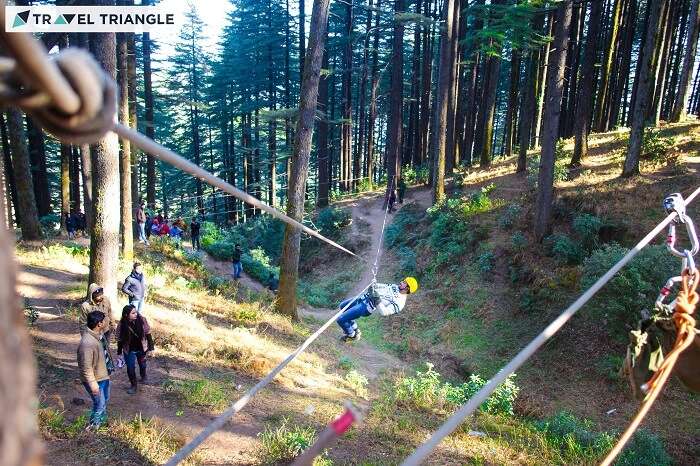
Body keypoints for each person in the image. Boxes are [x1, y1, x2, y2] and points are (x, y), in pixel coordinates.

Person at [337, 277, 418, 342]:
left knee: (341, 319)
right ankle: (355, 329)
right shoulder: (394, 286)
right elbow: (379, 286)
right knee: (342, 306)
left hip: (366, 307)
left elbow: (385, 312)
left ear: (407, 289)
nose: (401, 282)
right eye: (403, 280)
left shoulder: (400, 303)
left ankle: (351, 335)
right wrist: (373, 284)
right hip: (363, 298)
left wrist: (377, 300)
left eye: (404, 283)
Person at [77, 310, 114, 428]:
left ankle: (101, 422)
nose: (106, 321)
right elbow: (86, 367)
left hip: (103, 375)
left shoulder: (99, 335)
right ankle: (94, 427)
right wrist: (93, 385)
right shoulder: (87, 343)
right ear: (99, 323)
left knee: (105, 400)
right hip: (95, 379)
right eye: (104, 320)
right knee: (99, 403)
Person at [116, 304, 154, 394]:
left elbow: (148, 333)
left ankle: (143, 376)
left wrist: (151, 348)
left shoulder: (142, 320)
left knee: (142, 364)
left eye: (136, 312)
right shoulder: (122, 324)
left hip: (141, 348)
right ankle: (133, 385)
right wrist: (119, 352)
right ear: (126, 315)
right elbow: (120, 339)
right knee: (130, 368)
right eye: (133, 313)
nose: (136, 314)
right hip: (129, 349)